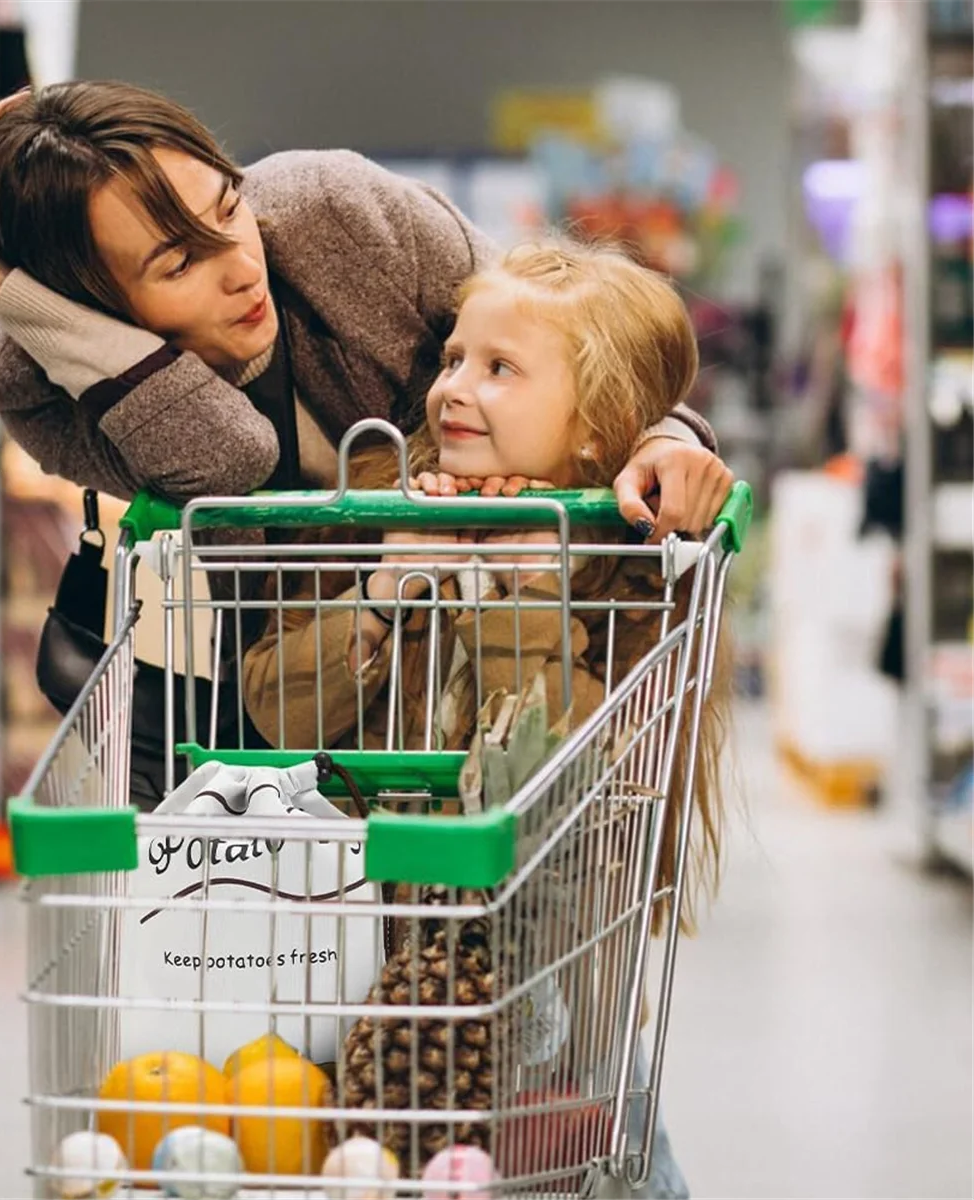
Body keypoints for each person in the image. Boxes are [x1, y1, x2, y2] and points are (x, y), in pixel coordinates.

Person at [240, 239, 729, 1199]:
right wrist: (384, 588)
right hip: (391, 979)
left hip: (558, 993)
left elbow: (591, 789)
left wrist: (520, 607)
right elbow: (272, 710)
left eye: (501, 369)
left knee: (596, 1163)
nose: (454, 388)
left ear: (597, 433)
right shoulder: (389, 503)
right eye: (456, 358)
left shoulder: (629, 573)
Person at [0, 81, 734, 538]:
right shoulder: (44, 387)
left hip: (519, 611)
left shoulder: (339, 213)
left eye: (227, 203)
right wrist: (9, 293)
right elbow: (226, 461)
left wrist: (664, 440)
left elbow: (567, 332)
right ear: (84, 304)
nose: (241, 265)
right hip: (283, 698)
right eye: (178, 262)